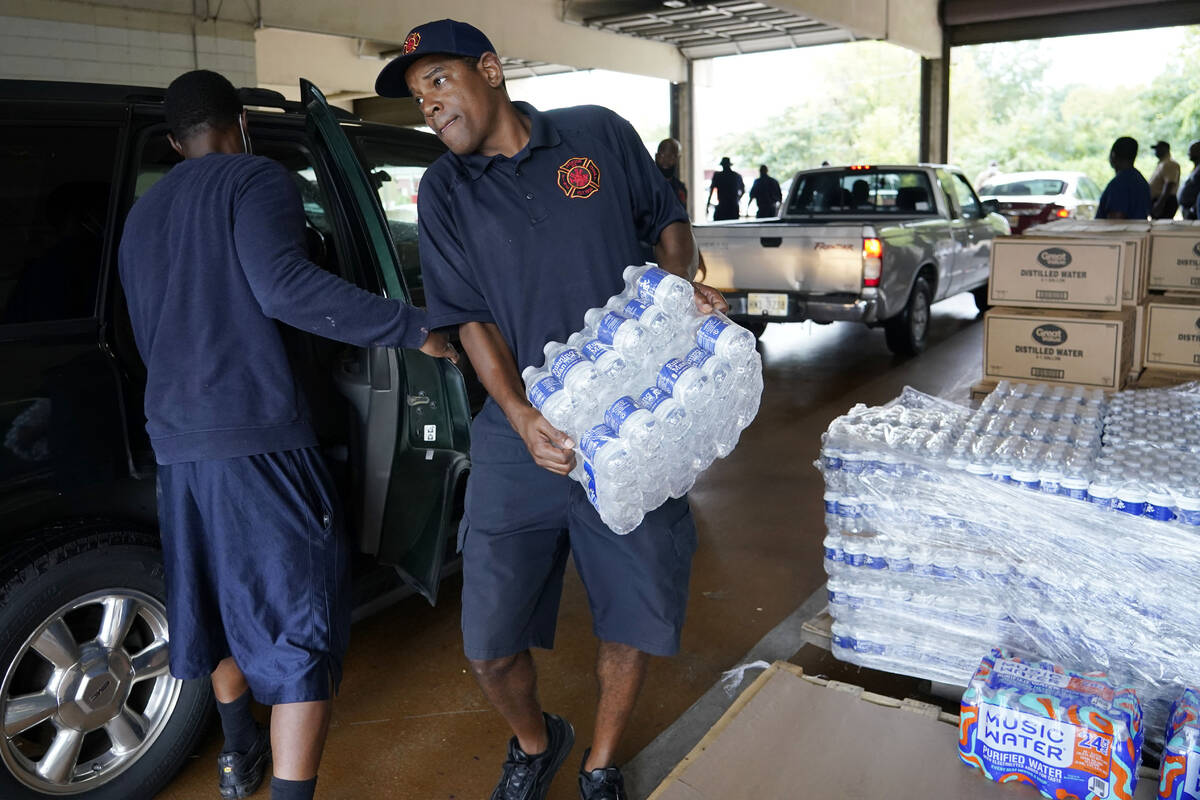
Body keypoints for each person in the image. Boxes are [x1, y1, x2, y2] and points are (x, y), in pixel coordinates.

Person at [374, 18, 726, 800]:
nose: (428, 104)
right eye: (417, 95)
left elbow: (668, 226)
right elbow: (471, 319)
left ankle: (600, 764)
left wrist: (675, 300)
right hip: (518, 432)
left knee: (630, 615)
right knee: (488, 640)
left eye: (438, 81)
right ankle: (538, 742)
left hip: (632, 423)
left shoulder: (595, 135)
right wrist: (523, 415)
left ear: (490, 70)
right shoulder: (445, 191)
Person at [118, 70, 455, 800]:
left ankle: (241, 757)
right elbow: (286, 289)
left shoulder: (142, 218)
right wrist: (413, 327)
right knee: (297, 626)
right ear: (238, 122)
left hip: (179, 445)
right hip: (260, 443)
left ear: (176, 143)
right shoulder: (255, 179)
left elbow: (152, 329)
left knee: (217, 610)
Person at [1096, 137, 1151, 220]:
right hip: (1139, 232)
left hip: (1121, 233)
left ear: (1113, 155)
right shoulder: (1141, 181)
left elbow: (1116, 222)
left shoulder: (1118, 184)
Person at [1149, 140, 1181, 219]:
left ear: (1165, 149)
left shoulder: (1169, 164)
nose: (1155, 151)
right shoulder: (1162, 163)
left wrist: (1159, 204)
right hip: (1160, 201)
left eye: (1157, 148)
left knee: (1161, 228)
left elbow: (1169, 184)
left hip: (1165, 202)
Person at [707, 156, 744, 220]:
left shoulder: (718, 176)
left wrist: (708, 205)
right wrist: (737, 199)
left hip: (723, 206)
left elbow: (711, 190)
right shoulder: (736, 176)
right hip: (733, 207)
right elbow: (743, 190)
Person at [655, 137, 688, 209]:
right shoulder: (645, 185)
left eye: (672, 157)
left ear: (678, 159)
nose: (666, 160)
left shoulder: (680, 188)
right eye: (662, 155)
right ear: (656, 156)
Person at [1178, 139, 1200, 221]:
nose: (1188, 152)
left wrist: (1193, 209)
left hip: (1193, 212)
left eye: (1192, 150)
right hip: (1188, 210)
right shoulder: (1196, 168)